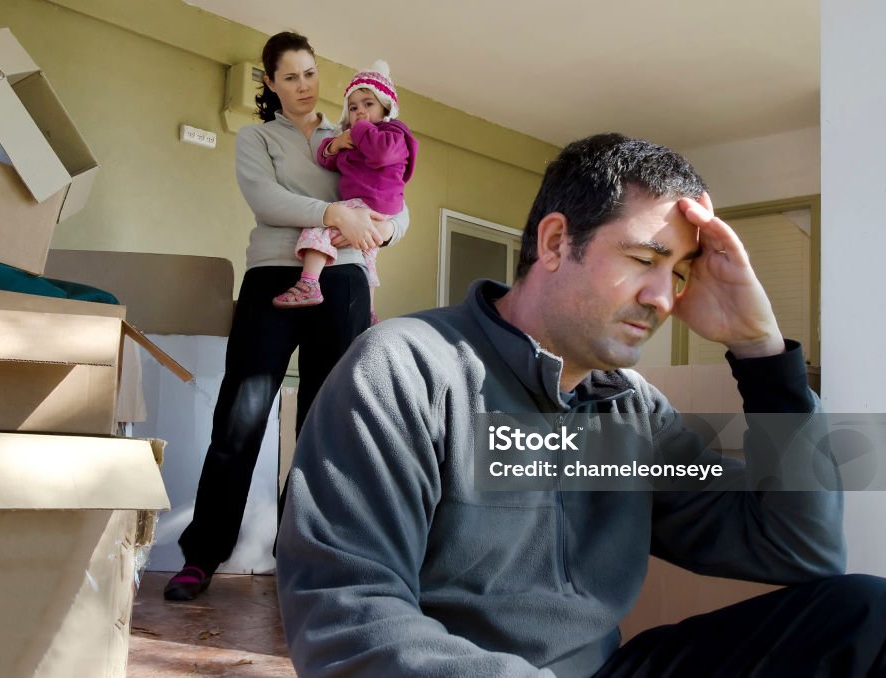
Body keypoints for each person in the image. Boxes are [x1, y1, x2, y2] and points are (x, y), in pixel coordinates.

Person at [276, 133, 886, 676]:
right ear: (555, 241)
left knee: (867, 614)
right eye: (645, 260)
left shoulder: (633, 415)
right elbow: (347, 618)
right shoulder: (406, 369)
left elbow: (801, 548)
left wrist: (763, 355)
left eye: (678, 273)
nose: (662, 297)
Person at [163, 31, 409, 601]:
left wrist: (381, 228)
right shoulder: (256, 138)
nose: (304, 86)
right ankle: (202, 555)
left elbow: (396, 201)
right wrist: (332, 212)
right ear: (270, 82)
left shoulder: (352, 129)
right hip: (273, 277)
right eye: (291, 76)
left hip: (343, 280)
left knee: (325, 426)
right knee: (240, 418)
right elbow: (265, 201)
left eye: (311, 73)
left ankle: (305, 559)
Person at [272, 60, 418, 325]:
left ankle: (308, 283)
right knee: (366, 256)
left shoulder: (393, 132)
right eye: (353, 107)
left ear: (386, 106)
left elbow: (383, 153)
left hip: (373, 200)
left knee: (319, 228)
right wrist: (335, 144)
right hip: (370, 207)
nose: (360, 112)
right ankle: (370, 312)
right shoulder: (355, 139)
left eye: (368, 104)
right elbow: (328, 160)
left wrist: (359, 128)